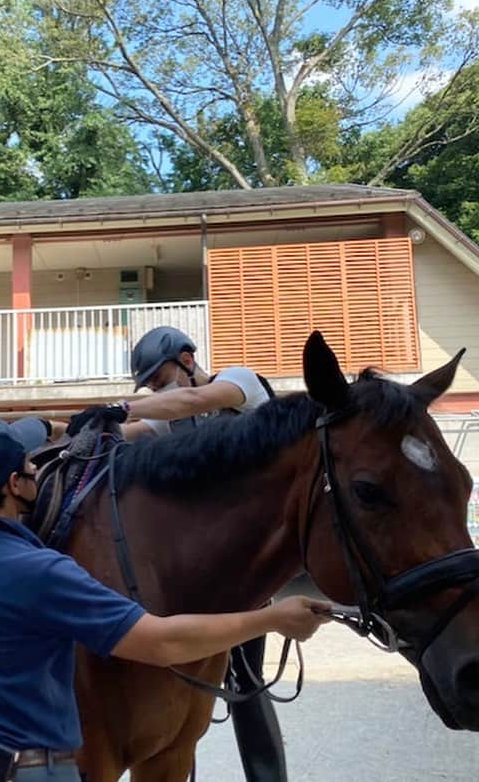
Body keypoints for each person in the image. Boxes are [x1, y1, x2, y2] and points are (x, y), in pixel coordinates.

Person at [0, 415, 330, 782]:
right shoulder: (41, 573)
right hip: (31, 773)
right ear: (14, 485)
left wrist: (98, 421)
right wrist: (273, 620)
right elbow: (161, 642)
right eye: (29, 465)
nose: (36, 468)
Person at [67, 326, 289, 782]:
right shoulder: (170, 417)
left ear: (188, 361)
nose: (155, 388)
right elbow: (129, 431)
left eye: (159, 377)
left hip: (252, 566)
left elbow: (187, 402)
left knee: (247, 684)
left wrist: (120, 405)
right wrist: (71, 428)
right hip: (206, 566)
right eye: (148, 385)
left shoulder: (239, 384)